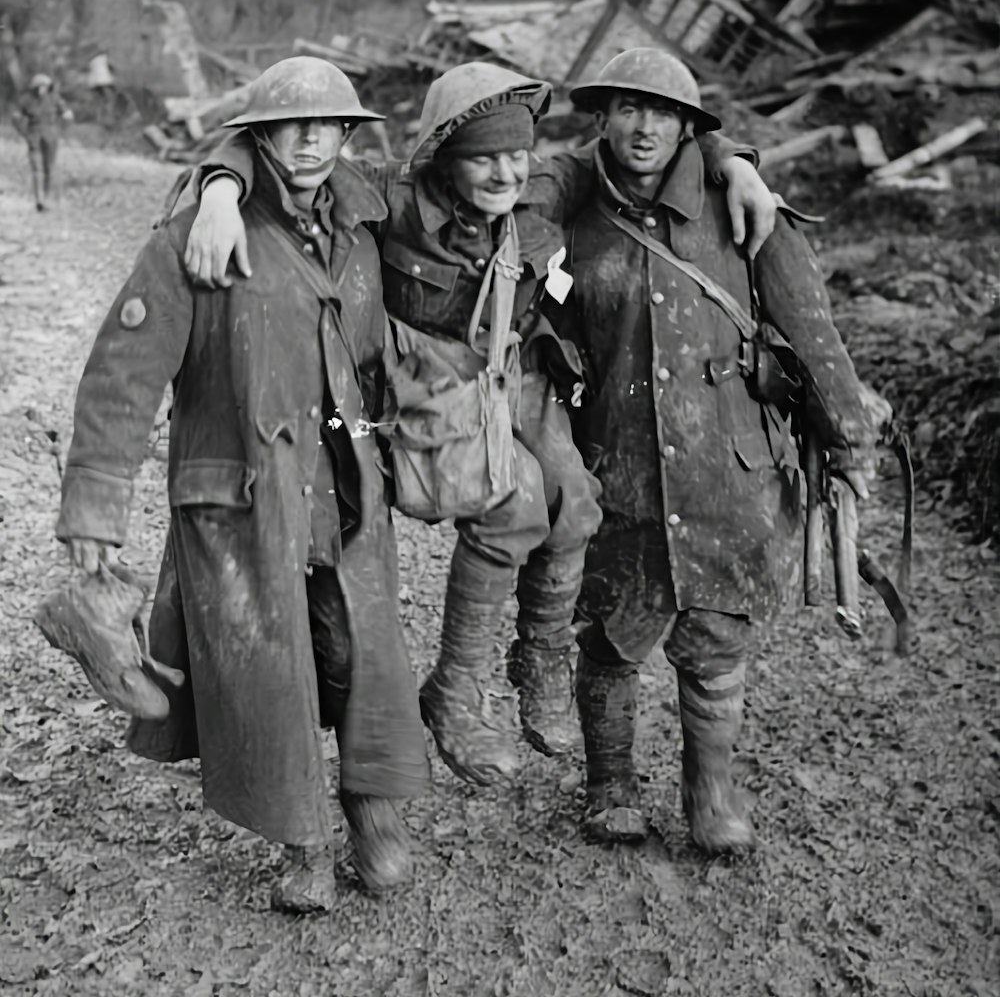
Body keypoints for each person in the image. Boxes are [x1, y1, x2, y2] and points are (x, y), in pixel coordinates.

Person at [185, 61, 777, 792]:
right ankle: (457, 686)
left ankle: (539, 660)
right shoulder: (387, 193)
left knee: (575, 501)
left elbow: (642, 151)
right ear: (442, 156)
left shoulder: (547, 186)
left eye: (516, 155)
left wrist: (734, 161)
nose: (504, 173)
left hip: (518, 372)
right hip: (428, 385)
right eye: (483, 157)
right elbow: (284, 158)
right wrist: (218, 188)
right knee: (518, 503)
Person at [55, 57, 429, 915]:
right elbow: (122, 373)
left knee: (357, 656)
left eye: (327, 125)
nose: (309, 140)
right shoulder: (200, 232)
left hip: (343, 488)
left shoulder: (364, 227)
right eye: (287, 126)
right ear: (256, 138)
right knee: (269, 668)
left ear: (348, 135)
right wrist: (95, 504)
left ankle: (373, 806)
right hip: (242, 496)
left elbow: (465, 183)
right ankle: (305, 842)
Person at [555, 47, 879, 854]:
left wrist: (846, 437)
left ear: (690, 128)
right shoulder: (570, 204)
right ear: (603, 116)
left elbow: (809, 326)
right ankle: (610, 785)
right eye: (628, 108)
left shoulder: (741, 206)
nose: (643, 127)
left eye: (663, 113)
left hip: (724, 466)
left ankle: (711, 788)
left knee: (716, 634)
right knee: (611, 630)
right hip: (614, 463)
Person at [14, 72, 72, 210]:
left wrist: (61, 131)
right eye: (38, 86)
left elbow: (68, 115)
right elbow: (15, 117)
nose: (41, 89)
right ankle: (39, 199)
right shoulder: (27, 100)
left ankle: (46, 197)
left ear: (48, 87)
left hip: (51, 134)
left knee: (49, 168)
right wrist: (23, 133)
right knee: (36, 168)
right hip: (34, 134)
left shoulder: (55, 99)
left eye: (44, 86)